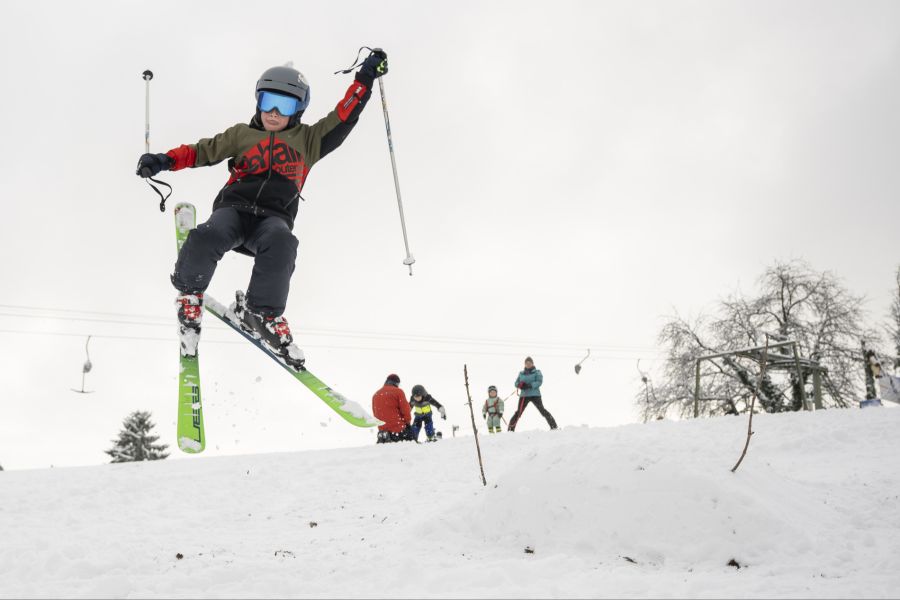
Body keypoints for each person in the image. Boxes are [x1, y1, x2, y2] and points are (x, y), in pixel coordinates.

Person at [136, 50, 389, 368]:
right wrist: (164, 160)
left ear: (298, 110)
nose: (272, 112)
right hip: (234, 210)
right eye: (267, 100)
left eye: (283, 105)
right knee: (207, 235)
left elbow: (344, 115)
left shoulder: (309, 140)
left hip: (273, 220)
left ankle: (259, 313)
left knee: (283, 243)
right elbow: (203, 150)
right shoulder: (243, 134)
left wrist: (364, 78)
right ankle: (189, 295)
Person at [508, 356, 558, 431]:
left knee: (542, 410)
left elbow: (539, 382)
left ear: (532, 363)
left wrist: (529, 385)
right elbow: (516, 383)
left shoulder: (537, 372)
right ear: (524, 364)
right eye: (526, 363)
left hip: (535, 395)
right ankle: (510, 429)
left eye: (529, 363)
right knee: (518, 412)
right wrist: (520, 385)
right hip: (524, 395)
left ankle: (554, 427)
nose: (528, 364)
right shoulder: (521, 373)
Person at [372, 374, 414, 443]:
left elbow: (375, 414)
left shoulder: (375, 394)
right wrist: (408, 424)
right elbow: (406, 411)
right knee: (413, 445)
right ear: (397, 383)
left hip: (382, 434)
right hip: (398, 432)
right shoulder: (398, 392)